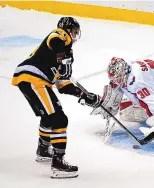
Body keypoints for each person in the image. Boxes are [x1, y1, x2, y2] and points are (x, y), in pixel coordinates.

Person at [11, 17, 101, 179]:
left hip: (31, 78)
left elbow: (64, 86)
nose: (74, 35)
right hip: (33, 78)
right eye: (74, 32)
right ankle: (58, 163)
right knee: (59, 119)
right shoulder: (61, 38)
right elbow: (54, 39)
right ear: (68, 30)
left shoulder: (62, 57)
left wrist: (84, 96)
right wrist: (63, 57)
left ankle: (44, 149)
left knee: (49, 117)